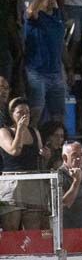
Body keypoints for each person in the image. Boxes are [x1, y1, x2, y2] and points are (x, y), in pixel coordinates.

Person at [0, 98, 51, 231]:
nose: (24, 115)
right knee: (11, 228)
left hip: (33, 183)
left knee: (33, 230)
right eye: (20, 112)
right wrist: (20, 129)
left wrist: (45, 155)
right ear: (12, 114)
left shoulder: (35, 132)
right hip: (13, 183)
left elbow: (40, 159)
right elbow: (14, 150)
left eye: (27, 112)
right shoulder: (4, 132)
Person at [23, 0, 67, 126]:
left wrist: (68, 68)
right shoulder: (35, 17)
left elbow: (61, 44)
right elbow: (30, 12)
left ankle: (55, 144)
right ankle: (33, 145)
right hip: (37, 72)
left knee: (59, 115)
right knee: (36, 112)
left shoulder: (57, 16)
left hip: (56, 72)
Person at [58, 140, 82, 228]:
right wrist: (76, 181)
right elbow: (63, 205)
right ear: (65, 158)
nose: (79, 159)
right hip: (69, 232)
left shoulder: (81, 172)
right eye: (75, 155)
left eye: (81, 155)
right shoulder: (59, 176)